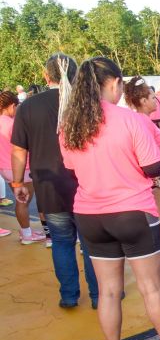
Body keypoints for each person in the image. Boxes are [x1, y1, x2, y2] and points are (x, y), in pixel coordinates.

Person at [59, 56, 160, 340]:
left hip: (90, 215)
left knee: (109, 291)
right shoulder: (129, 120)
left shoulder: (70, 125)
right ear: (114, 82)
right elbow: (153, 167)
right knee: (151, 288)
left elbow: (72, 168)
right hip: (133, 212)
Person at [11, 53, 98, 308]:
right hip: (87, 185)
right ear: (75, 74)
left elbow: (19, 151)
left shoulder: (28, 106)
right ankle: (98, 295)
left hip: (49, 186)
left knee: (61, 241)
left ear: (46, 76)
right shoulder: (86, 102)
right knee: (91, 244)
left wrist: (18, 183)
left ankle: (69, 296)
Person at [124, 77, 160, 269]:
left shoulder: (143, 120)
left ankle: (154, 246)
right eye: (151, 97)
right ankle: (159, 254)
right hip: (156, 172)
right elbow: (146, 150)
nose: (155, 100)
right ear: (142, 101)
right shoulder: (142, 121)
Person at [0, 91, 43, 241]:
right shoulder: (13, 124)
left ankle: (26, 232)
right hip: (21, 168)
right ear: (12, 106)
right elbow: (23, 147)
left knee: (21, 201)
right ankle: (26, 234)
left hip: (4, 169)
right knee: (24, 202)